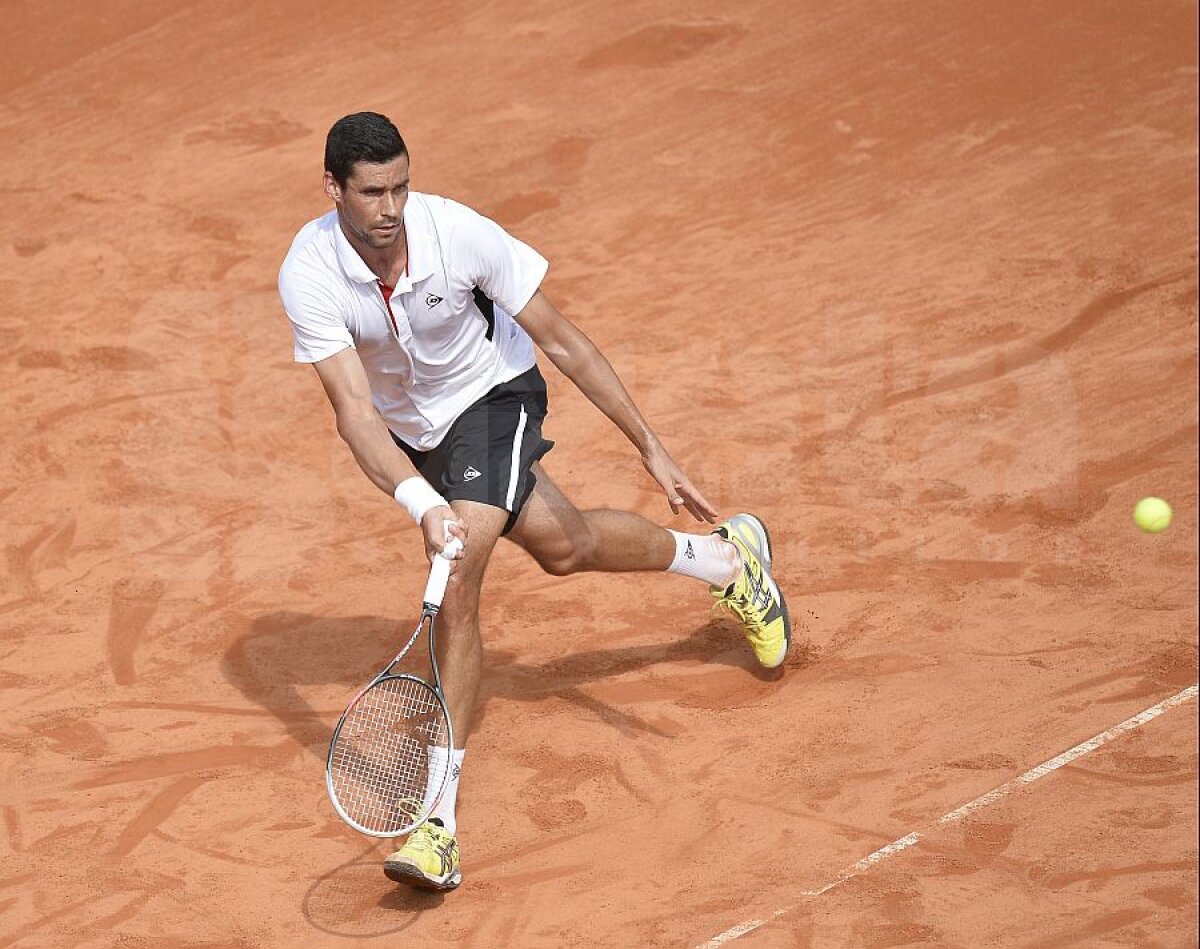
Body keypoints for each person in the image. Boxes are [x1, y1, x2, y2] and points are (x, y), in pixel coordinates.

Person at [278, 112, 791, 892]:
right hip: (412, 433)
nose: (391, 209)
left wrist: (649, 444)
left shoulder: (459, 236)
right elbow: (352, 410)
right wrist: (421, 499)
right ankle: (727, 560)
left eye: (401, 187)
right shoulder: (309, 270)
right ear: (333, 190)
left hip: (493, 396)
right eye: (372, 192)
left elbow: (563, 338)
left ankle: (437, 825)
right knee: (566, 546)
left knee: (458, 570)